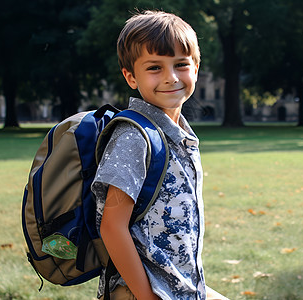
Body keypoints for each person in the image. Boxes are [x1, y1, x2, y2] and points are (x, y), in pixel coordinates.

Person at [92, 10, 228, 300]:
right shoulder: (134, 137)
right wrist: (146, 296)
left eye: (181, 65)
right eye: (154, 68)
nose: (171, 77)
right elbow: (112, 226)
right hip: (141, 290)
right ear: (130, 76)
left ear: (196, 69)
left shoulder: (178, 135)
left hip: (178, 288)